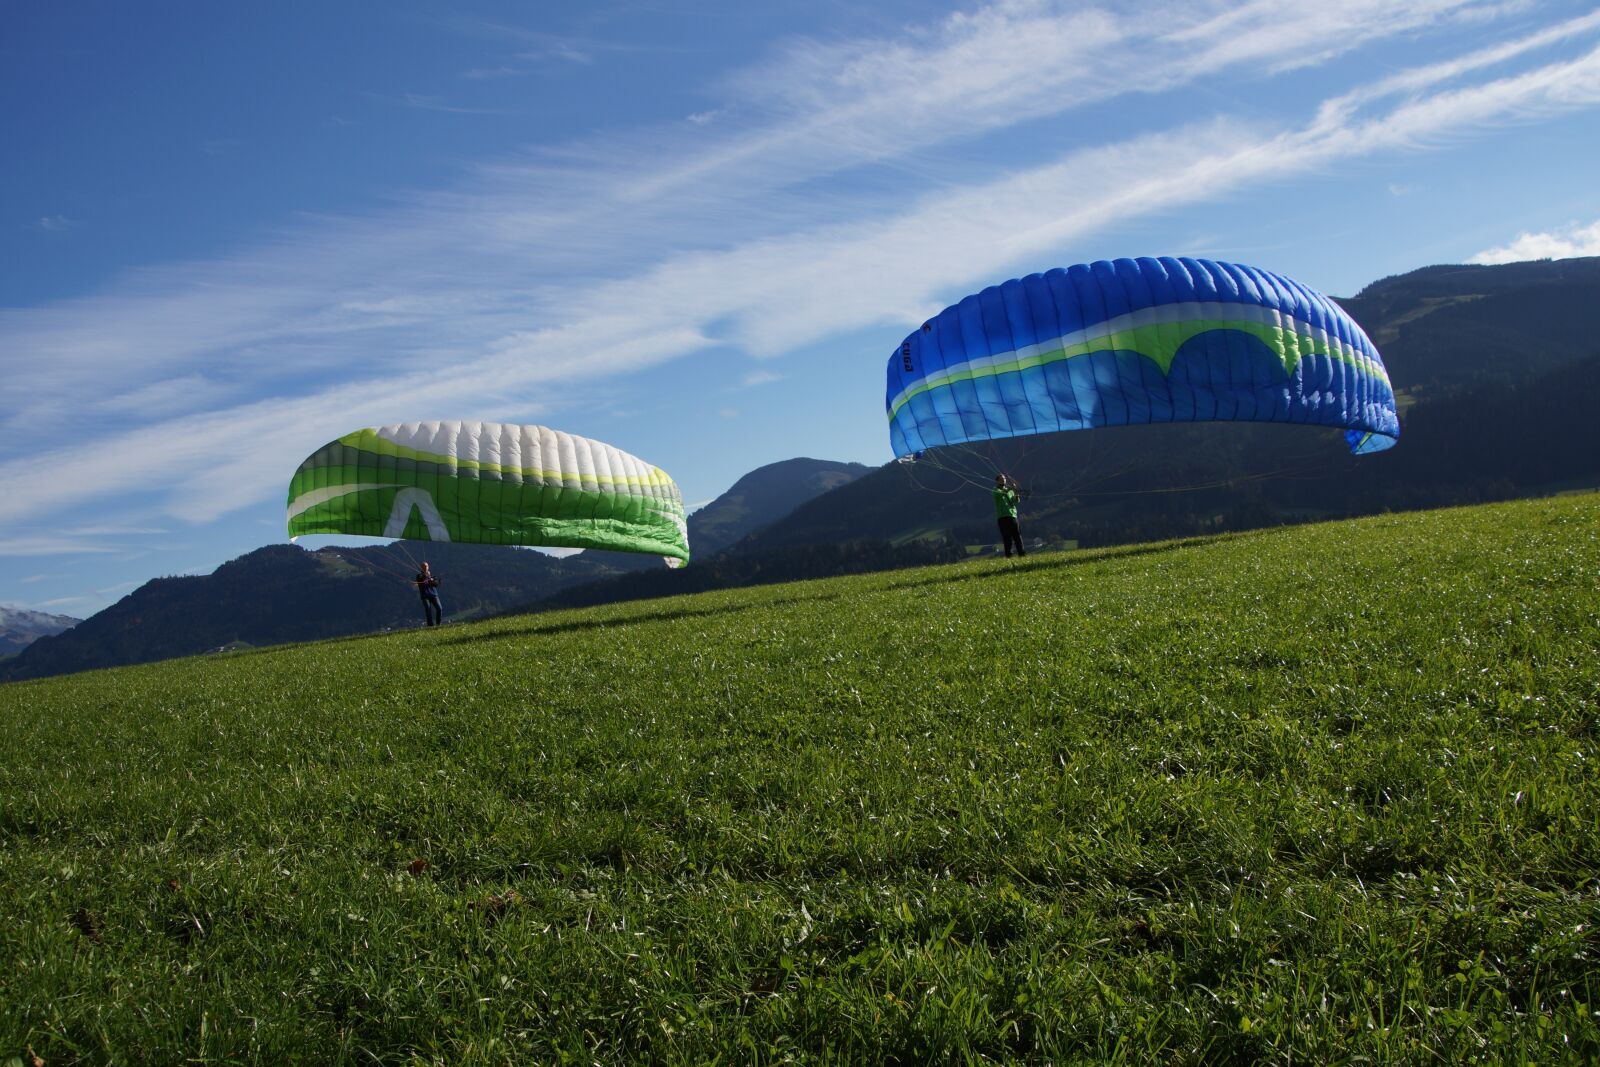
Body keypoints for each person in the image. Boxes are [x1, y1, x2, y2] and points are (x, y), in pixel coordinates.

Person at [993, 474, 1025, 558]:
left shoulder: (1009, 490)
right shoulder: (995, 490)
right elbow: (1000, 494)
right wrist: (1011, 489)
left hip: (1012, 515)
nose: (1003, 480)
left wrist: (1016, 493)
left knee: (1017, 536)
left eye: (1004, 479)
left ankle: (1021, 553)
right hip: (1002, 517)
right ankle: (1009, 555)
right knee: (1007, 537)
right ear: (997, 481)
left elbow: (1016, 501)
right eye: (1001, 479)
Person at [414, 561, 443, 626]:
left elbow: (436, 584)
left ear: (428, 567)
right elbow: (421, 579)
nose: (425, 567)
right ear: (421, 568)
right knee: (428, 610)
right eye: (423, 566)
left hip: (434, 595)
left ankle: (438, 624)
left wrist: (432, 579)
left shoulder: (432, 576)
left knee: (439, 608)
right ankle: (430, 625)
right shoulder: (419, 576)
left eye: (426, 566)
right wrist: (427, 576)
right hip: (425, 596)